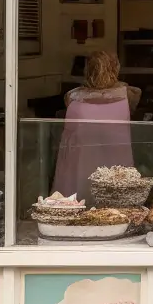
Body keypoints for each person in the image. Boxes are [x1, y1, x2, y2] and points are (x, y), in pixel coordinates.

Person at [51, 50, 141, 199]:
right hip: (115, 164)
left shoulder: (73, 96)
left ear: (87, 70)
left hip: (79, 169)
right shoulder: (129, 94)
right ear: (115, 68)